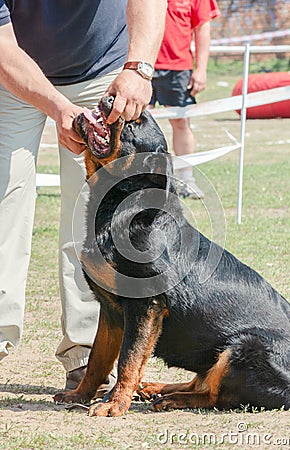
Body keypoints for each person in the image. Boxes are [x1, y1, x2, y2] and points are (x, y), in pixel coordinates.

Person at [0, 0, 167, 394]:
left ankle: (86, 354)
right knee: (4, 199)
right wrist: (59, 109)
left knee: (93, 219)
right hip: (13, 69)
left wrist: (139, 68)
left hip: (103, 68)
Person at [149, 0, 220, 199]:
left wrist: (202, 69)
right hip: (142, 63)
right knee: (135, 123)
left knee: (181, 122)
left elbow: (202, 27)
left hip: (178, 69)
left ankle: (186, 180)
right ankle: (138, 180)